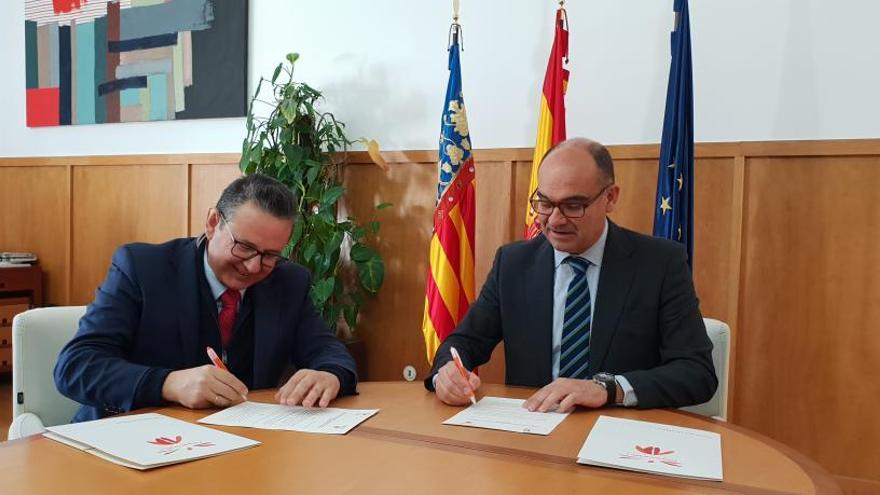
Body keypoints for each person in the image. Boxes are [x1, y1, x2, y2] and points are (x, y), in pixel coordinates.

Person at [426, 138, 717, 412]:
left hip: (619, 434)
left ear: (610, 198)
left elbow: (697, 372)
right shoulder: (513, 264)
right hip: (532, 434)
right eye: (545, 203)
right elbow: (463, 343)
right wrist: (446, 375)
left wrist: (609, 388)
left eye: (573, 206)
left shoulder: (659, 263)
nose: (554, 220)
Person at [55, 174, 357, 422]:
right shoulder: (142, 268)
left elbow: (327, 350)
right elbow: (76, 366)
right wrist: (167, 383)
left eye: (270, 255)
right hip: (126, 440)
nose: (253, 266)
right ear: (213, 223)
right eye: (243, 246)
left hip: (236, 447)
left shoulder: (288, 281)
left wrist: (329, 374)